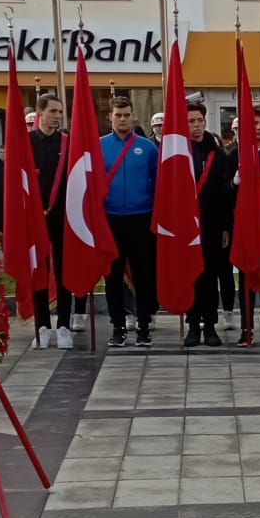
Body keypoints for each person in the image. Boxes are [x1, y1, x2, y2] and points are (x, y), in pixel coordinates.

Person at [102, 95, 160, 347]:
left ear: (133, 116)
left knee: (144, 275)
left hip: (141, 218)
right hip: (110, 219)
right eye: (118, 115)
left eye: (126, 115)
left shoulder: (148, 148)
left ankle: (144, 325)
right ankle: (117, 326)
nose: (123, 119)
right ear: (110, 117)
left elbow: (158, 185)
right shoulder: (99, 146)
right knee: (112, 277)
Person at [186, 102, 236, 348]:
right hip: (185, 227)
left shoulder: (217, 153)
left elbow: (224, 193)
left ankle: (210, 326)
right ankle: (193, 325)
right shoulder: (176, 151)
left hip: (213, 225)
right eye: (190, 121)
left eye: (199, 121)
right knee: (190, 276)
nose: (195, 126)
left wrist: (227, 226)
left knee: (210, 277)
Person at [28, 94, 74, 349]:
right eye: (53, 111)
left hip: (62, 216)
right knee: (39, 271)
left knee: (63, 270)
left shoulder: (67, 143)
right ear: (40, 112)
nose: (58, 116)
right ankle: (42, 325)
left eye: (60, 111)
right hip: (34, 218)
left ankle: (64, 325)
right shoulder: (26, 142)